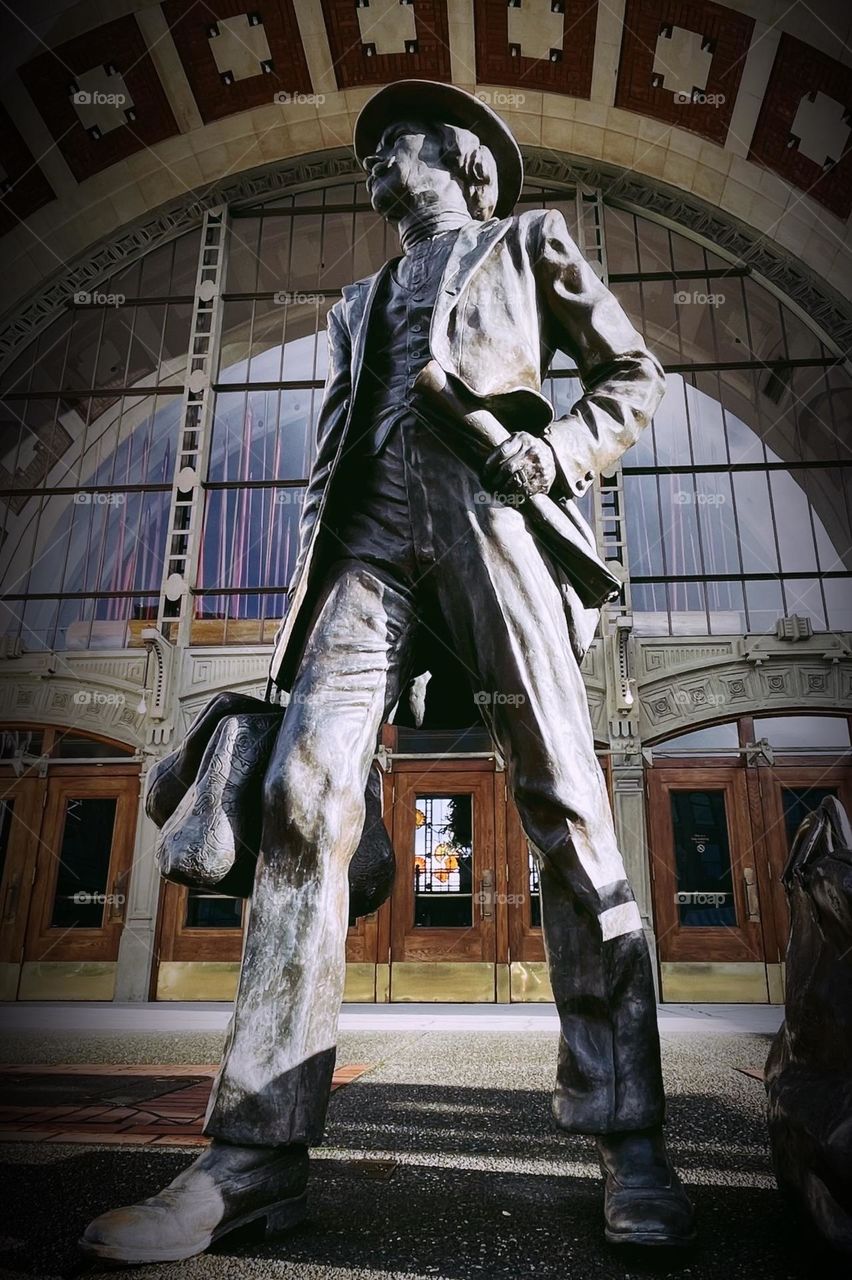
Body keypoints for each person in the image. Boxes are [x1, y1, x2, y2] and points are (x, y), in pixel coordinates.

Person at [81, 80, 694, 1264]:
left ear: (464, 160)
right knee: (299, 800)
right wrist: (288, 638)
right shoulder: (354, 304)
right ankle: (254, 1157)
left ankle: (632, 1138)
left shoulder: (530, 241)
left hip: (491, 516)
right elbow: (326, 460)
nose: (375, 159)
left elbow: (635, 377)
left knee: (569, 804)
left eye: (397, 142)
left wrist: (553, 450)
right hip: (368, 542)